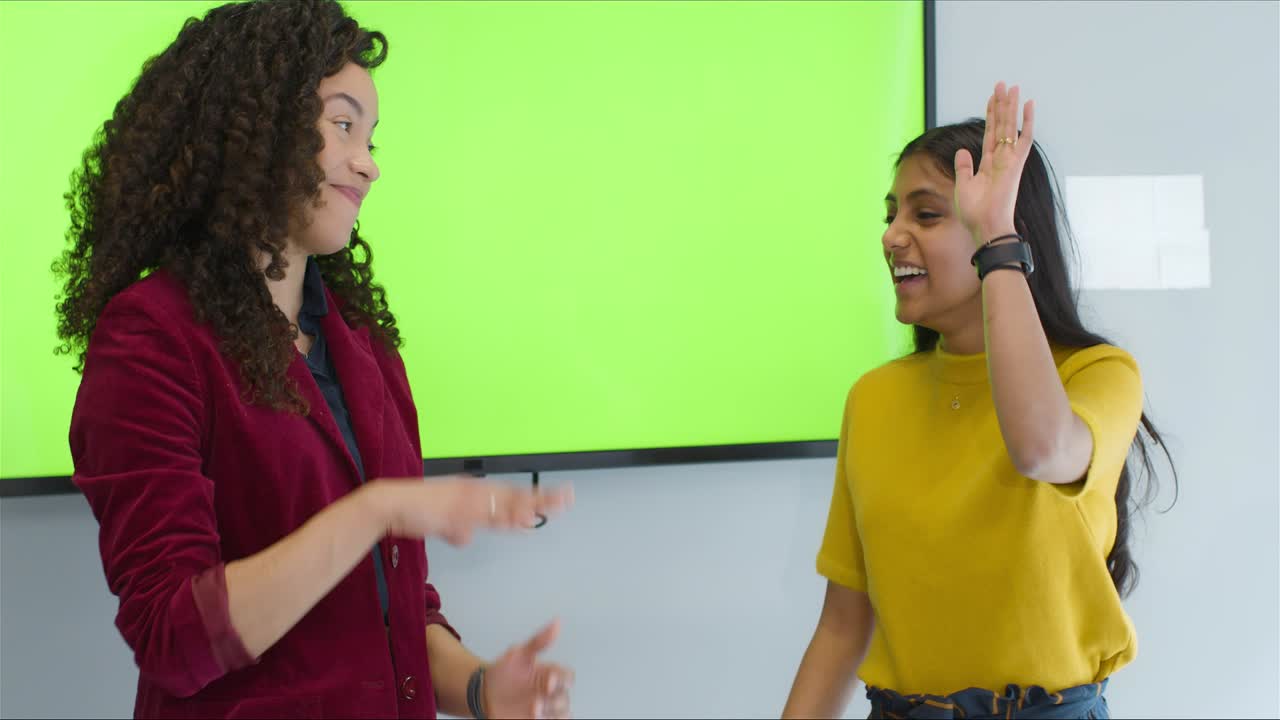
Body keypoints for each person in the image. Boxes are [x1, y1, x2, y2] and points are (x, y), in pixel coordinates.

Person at [54, 1, 573, 717]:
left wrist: (483, 689)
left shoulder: (363, 344)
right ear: (256, 127)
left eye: (372, 137)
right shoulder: (150, 338)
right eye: (342, 125)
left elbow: (397, 608)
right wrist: (374, 510)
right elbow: (175, 637)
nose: (369, 164)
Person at [782, 83, 1176, 720]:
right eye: (891, 215)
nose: (892, 236)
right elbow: (842, 627)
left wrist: (996, 237)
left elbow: (1041, 449)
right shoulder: (874, 398)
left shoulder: (1097, 375)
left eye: (925, 215)